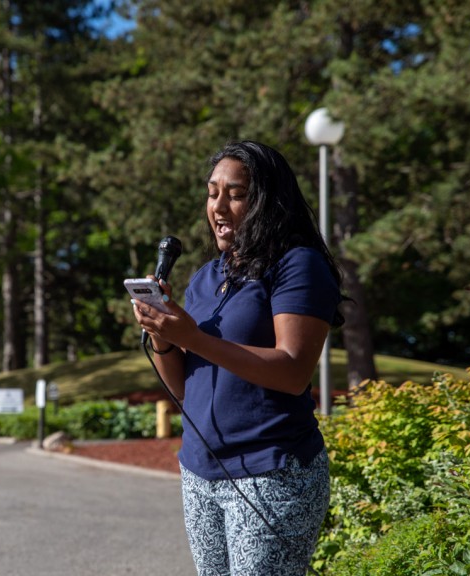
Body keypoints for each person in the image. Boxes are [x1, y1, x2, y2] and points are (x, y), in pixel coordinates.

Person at [131, 140, 343, 576]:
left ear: (267, 201)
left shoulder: (296, 265)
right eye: (212, 193)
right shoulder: (207, 278)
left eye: (237, 194)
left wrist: (194, 336)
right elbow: (186, 392)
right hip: (200, 472)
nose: (219, 207)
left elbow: (293, 371)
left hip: (271, 476)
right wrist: (164, 336)